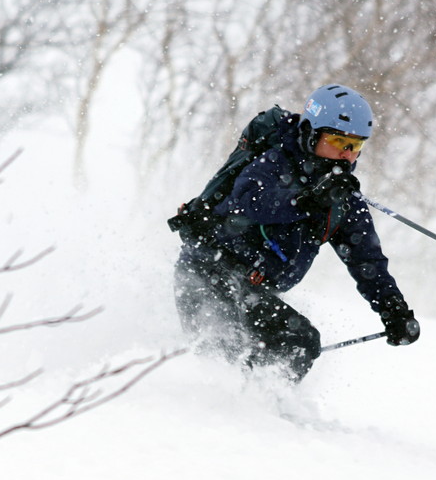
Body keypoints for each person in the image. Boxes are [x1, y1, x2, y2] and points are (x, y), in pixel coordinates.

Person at [172, 83, 420, 382]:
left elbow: (366, 259)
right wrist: (308, 199)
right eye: (337, 140)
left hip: (253, 289)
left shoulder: (342, 201)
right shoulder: (275, 161)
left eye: (354, 146)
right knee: (291, 342)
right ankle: (235, 411)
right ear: (311, 133)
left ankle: (259, 411)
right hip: (208, 271)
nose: (345, 155)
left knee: (290, 346)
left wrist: (394, 310)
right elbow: (248, 202)